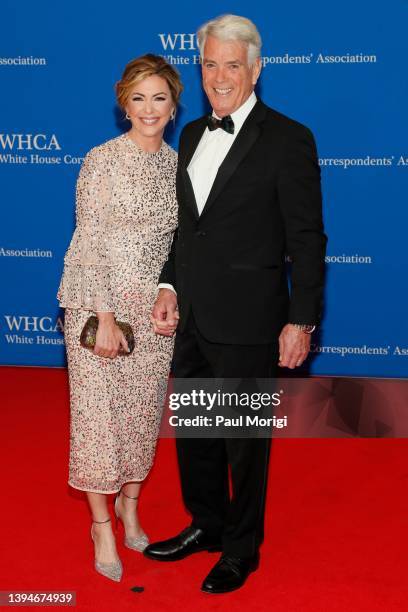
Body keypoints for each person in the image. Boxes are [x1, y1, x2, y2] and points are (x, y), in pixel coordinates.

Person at [145, 15, 327, 594]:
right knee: (198, 432)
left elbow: (307, 238)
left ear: (256, 68)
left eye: (231, 64)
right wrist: (169, 287)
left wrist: (301, 318)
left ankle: (243, 548)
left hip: (251, 317)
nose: (219, 76)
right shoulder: (193, 134)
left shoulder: (289, 137)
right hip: (193, 315)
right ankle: (207, 524)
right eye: (209, 64)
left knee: (244, 442)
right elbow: (184, 230)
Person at [57, 54, 182, 582]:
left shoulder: (178, 165)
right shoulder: (102, 160)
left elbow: (180, 245)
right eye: (139, 98)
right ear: (122, 102)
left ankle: (131, 505)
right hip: (97, 306)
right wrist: (103, 315)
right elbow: (89, 239)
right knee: (98, 422)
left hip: (153, 314)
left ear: (174, 105)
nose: (149, 109)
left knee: (140, 420)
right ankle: (102, 524)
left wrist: (169, 292)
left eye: (159, 98)